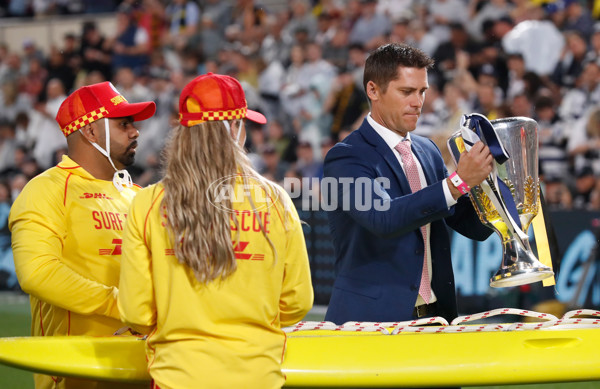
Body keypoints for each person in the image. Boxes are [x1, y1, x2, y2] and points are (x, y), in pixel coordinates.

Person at [118, 73, 313, 389]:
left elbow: (136, 312)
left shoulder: (148, 203)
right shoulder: (276, 200)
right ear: (234, 128)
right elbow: (296, 304)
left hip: (177, 376)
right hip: (257, 376)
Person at [322, 43, 494, 324]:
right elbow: (383, 218)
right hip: (370, 322)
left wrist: (500, 191)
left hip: (437, 317)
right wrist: (457, 183)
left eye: (422, 91)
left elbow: (471, 226)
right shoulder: (345, 157)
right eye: (406, 92)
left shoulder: (427, 150)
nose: (418, 102)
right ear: (373, 91)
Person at [8, 81, 156, 389]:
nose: (135, 132)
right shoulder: (45, 190)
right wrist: (122, 305)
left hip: (144, 369)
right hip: (78, 373)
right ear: (90, 131)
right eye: (123, 124)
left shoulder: (139, 196)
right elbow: (37, 273)